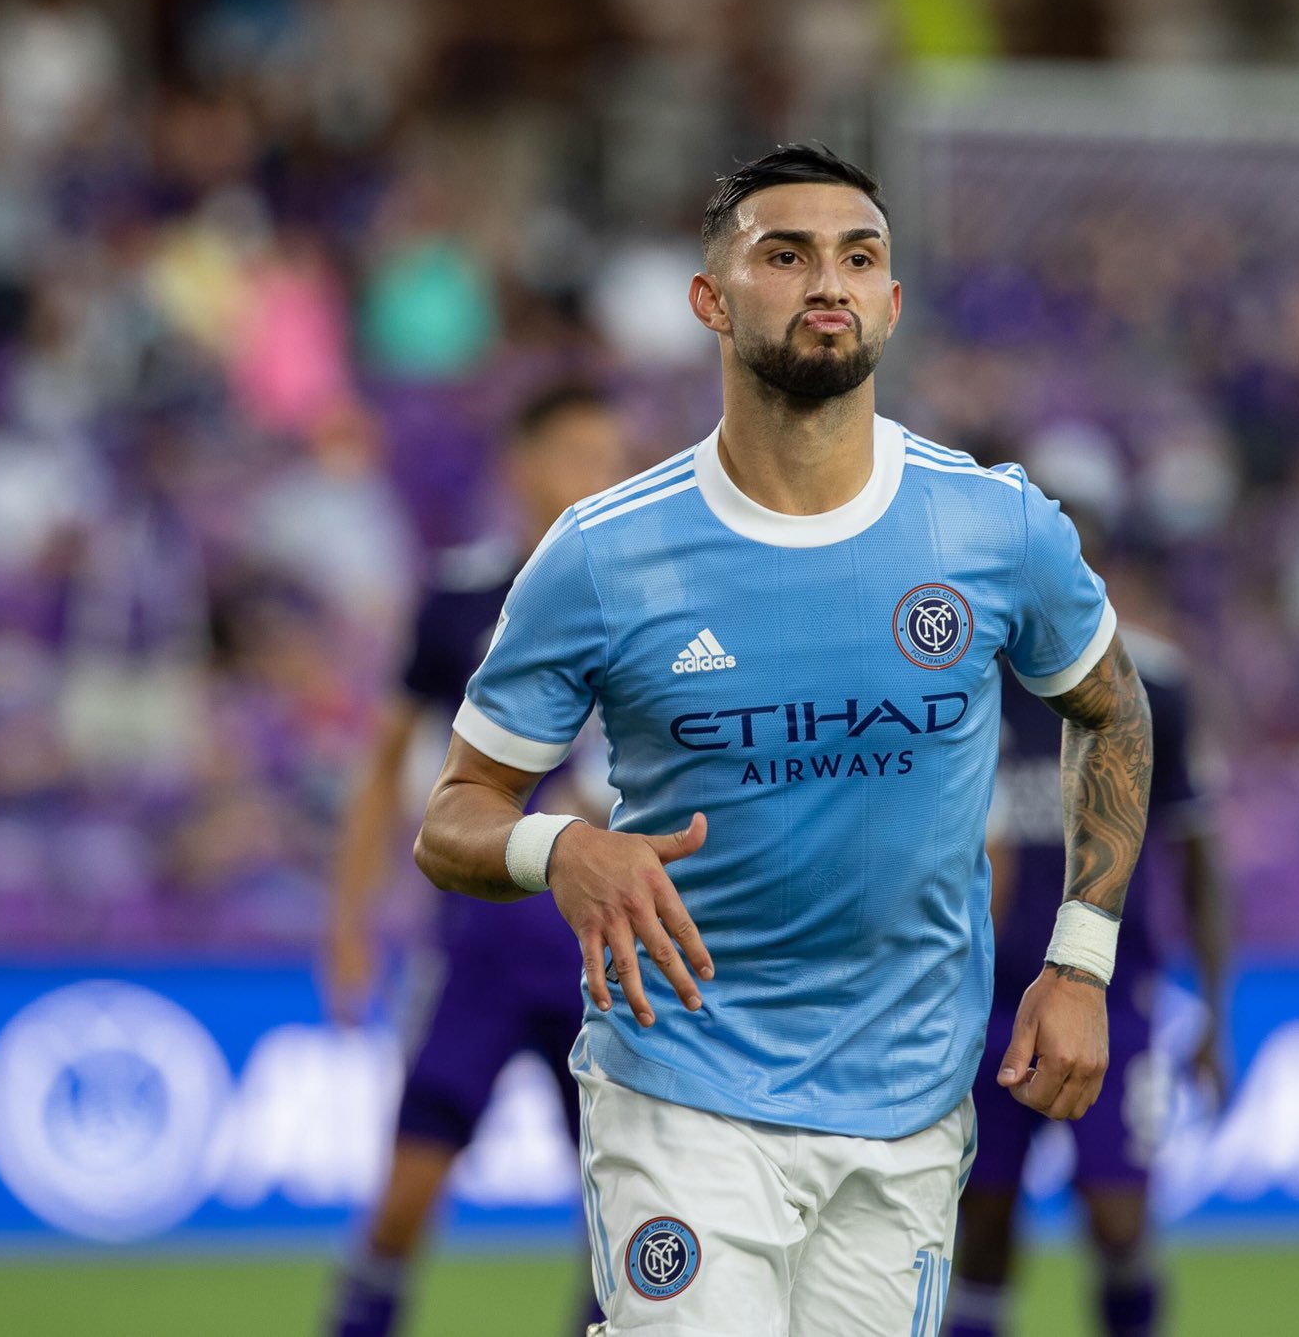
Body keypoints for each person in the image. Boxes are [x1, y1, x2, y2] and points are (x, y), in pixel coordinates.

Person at [413, 143, 1154, 1336]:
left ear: (890, 303)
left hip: (908, 1102)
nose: (827, 282)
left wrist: (1078, 961)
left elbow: (1112, 711)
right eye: (786, 255)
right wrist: (561, 848)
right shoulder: (601, 553)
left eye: (857, 258)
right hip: (680, 1088)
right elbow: (453, 814)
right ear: (710, 299)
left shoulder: (993, 526)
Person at [323, 384, 632, 1337]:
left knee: (626, 1216)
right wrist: (349, 923)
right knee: (406, 1193)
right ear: (522, 466)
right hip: (478, 944)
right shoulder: (460, 598)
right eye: (577, 453)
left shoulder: (652, 598)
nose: (598, 475)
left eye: (610, 456)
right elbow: (384, 764)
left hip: (603, 949)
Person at [946, 452, 1233, 1337]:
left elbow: (1198, 858)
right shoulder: (958, 674)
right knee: (981, 1225)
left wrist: (1214, 1013)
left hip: (1111, 996)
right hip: (985, 1000)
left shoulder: (1154, 683)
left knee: (1118, 1218)